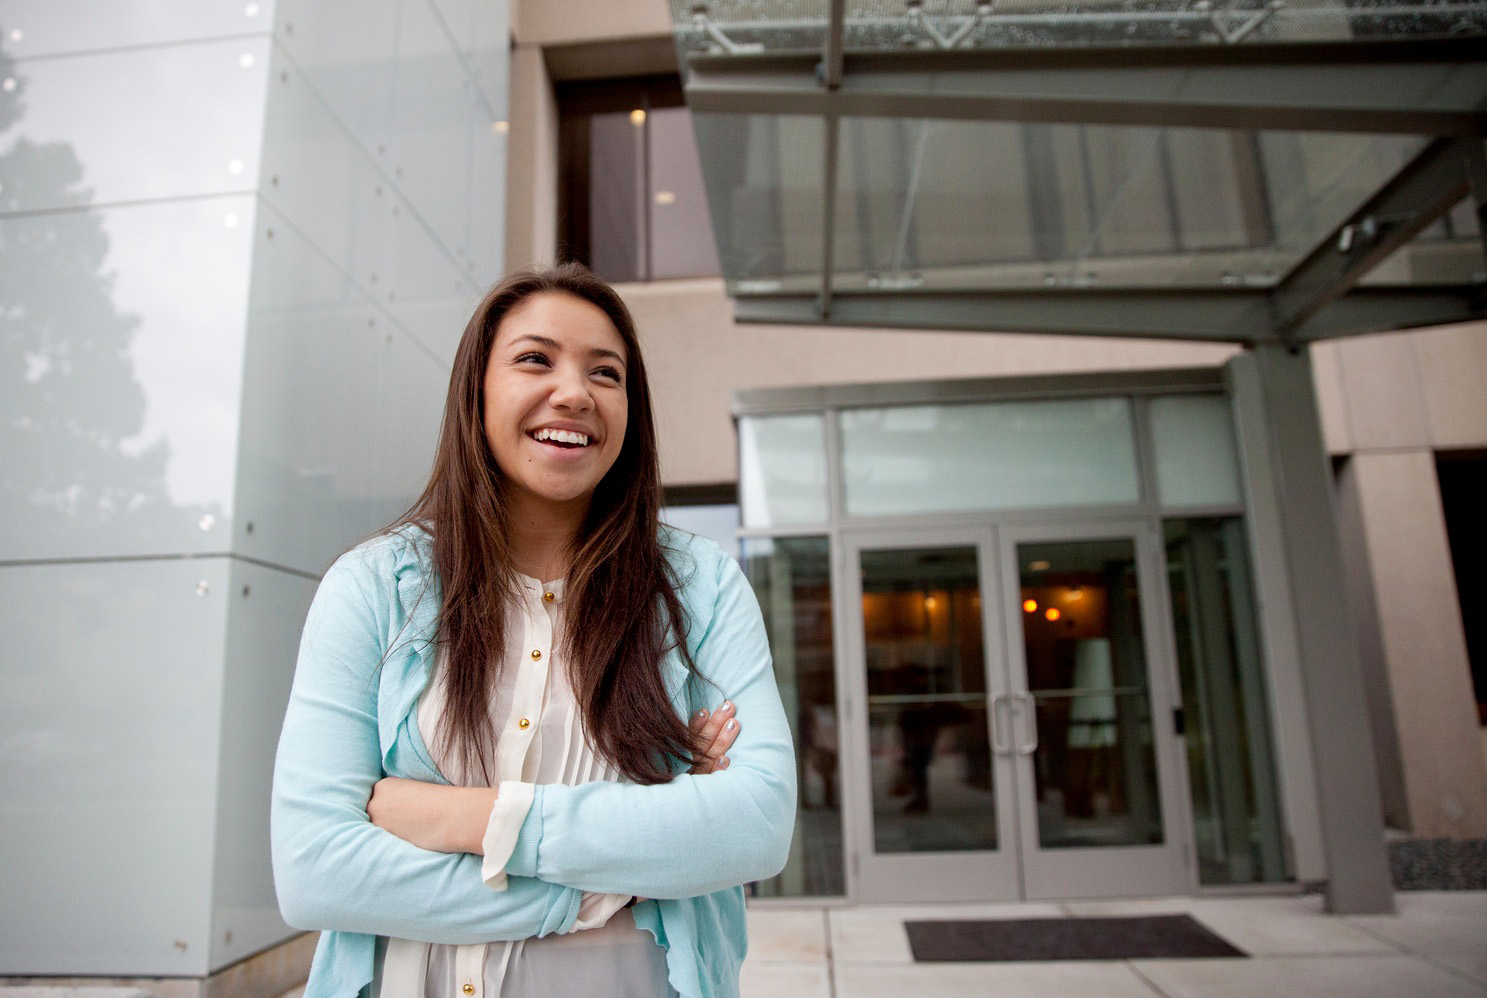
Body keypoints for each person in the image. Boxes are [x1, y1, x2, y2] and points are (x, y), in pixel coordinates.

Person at [271, 264, 797, 998]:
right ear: (475, 392)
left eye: (605, 373)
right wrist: (601, 888)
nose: (574, 392)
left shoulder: (700, 588)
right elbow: (316, 870)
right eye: (533, 359)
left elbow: (755, 825)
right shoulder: (371, 588)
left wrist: (473, 819)